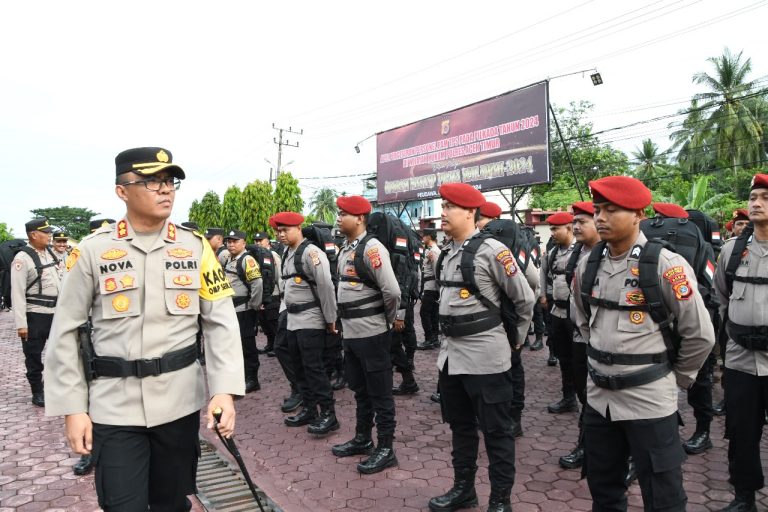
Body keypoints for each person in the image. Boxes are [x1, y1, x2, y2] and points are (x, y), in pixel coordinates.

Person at [44, 146, 244, 511]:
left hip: (178, 402)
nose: (165, 189)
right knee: (122, 504)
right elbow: (65, 332)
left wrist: (225, 391)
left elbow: (220, 322)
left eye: (170, 181)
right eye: (152, 182)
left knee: (171, 502)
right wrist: (72, 408)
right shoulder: (92, 250)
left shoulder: (194, 246)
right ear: (122, 190)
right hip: (113, 406)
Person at [571, 176, 714, 511]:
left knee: (662, 495)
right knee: (603, 488)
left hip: (649, 401)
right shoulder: (588, 263)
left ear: (637, 214)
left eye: (611, 210)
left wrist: (674, 378)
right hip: (600, 400)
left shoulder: (665, 264)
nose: (600, 217)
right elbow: (582, 318)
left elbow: (700, 334)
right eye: (597, 210)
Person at [428, 184, 534, 512]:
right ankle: (464, 490)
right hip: (451, 358)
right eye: (442, 206)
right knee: (460, 428)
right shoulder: (446, 252)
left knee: (497, 433)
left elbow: (524, 299)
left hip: (487, 359)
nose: (443, 212)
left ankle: (500, 501)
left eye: (450, 207)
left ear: (471, 212)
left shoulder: (492, 251)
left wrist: (514, 341)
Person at [331, 195, 402, 474]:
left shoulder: (372, 248)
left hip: (372, 333)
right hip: (352, 334)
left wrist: (385, 322)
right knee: (360, 390)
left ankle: (386, 448)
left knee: (381, 393)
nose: (338, 217)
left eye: (343, 213)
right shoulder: (346, 248)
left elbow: (392, 292)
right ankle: (363, 438)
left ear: (360, 218)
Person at [713, 174, 768, 512]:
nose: (757, 203)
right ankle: (744, 496)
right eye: (754, 197)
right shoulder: (732, 251)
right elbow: (721, 297)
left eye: (765, 197)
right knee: (741, 431)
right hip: (740, 359)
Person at [272, 212, 340, 434]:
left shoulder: (312, 253)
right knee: (299, 368)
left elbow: (326, 288)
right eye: (278, 231)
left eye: (285, 230)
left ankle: (329, 415)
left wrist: (331, 319)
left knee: (314, 369)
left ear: (298, 228)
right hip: (292, 320)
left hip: (311, 320)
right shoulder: (287, 253)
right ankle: (310, 409)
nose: (281, 235)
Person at [559, 201, 599, 470]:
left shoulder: (609, 254)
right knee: (585, 393)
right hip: (579, 335)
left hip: (607, 341)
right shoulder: (576, 254)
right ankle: (586, 444)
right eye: (574, 222)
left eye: (582, 221)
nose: (576, 227)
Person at [11, 218, 60, 407]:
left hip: (55, 313)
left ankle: (54, 387)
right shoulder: (22, 259)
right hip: (35, 315)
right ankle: (37, 392)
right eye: (46, 232)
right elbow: (17, 294)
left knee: (59, 354)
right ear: (33, 234)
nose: (50, 235)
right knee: (33, 356)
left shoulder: (50, 253)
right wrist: (21, 324)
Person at [540, 211, 579, 412]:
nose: (552, 233)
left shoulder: (581, 251)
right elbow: (544, 273)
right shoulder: (553, 252)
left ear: (569, 228)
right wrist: (544, 294)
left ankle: (586, 400)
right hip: (557, 312)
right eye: (551, 229)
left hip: (575, 314)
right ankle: (568, 398)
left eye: (556, 228)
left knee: (579, 358)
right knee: (563, 357)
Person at [221, 229, 263, 393]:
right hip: (232, 310)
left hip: (244, 310)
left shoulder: (247, 260)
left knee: (247, 346)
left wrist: (253, 306)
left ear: (243, 243)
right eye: (228, 241)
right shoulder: (229, 260)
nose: (230, 244)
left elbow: (257, 284)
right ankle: (242, 376)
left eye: (234, 241)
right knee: (235, 346)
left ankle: (252, 379)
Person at [254, 231, 281, 356]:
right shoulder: (257, 255)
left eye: (261, 240)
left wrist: (281, 293)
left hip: (273, 293)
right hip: (261, 294)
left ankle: (277, 346)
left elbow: (278, 275)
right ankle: (270, 344)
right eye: (256, 241)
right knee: (264, 322)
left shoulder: (272, 254)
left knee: (273, 322)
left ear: (268, 241)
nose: (258, 243)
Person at [417, 228, 441, 350]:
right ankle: (434, 339)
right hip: (429, 286)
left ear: (429, 237)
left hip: (432, 287)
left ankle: (429, 339)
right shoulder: (431, 251)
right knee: (433, 313)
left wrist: (439, 290)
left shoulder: (434, 252)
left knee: (425, 312)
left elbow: (437, 271)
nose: (422, 238)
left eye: (424, 236)